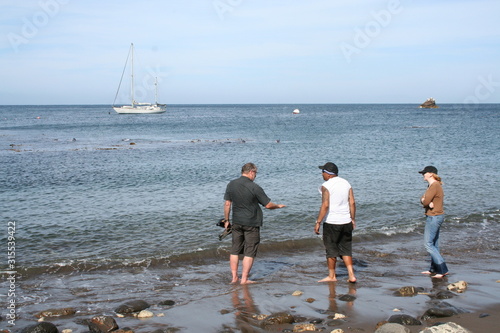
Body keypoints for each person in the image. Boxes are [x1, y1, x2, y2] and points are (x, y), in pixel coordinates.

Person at [223, 163, 286, 284]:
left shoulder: (231, 184)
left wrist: (226, 221)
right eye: (255, 173)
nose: (255, 176)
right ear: (251, 172)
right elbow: (268, 205)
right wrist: (278, 206)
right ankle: (244, 279)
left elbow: (227, 204)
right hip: (251, 223)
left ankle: (234, 277)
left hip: (236, 222)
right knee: (250, 251)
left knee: (235, 250)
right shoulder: (254, 187)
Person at [314, 162, 357, 283]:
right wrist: (352, 219)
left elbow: (325, 205)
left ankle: (332, 276)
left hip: (332, 222)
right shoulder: (346, 183)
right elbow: (352, 202)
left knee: (331, 249)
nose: (322, 173)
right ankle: (351, 275)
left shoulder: (326, 185)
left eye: (323, 171)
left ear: (328, 174)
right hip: (346, 221)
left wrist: (318, 222)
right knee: (346, 249)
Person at [419, 165, 449, 278]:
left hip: (434, 217)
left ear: (431, 174)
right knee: (434, 244)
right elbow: (423, 199)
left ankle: (442, 269)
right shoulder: (432, 185)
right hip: (436, 216)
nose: (423, 175)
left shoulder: (434, 185)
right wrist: (424, 200)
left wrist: (425, 201)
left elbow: (425, 201)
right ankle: (433, 269)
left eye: (424, 173)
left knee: (428, 244)